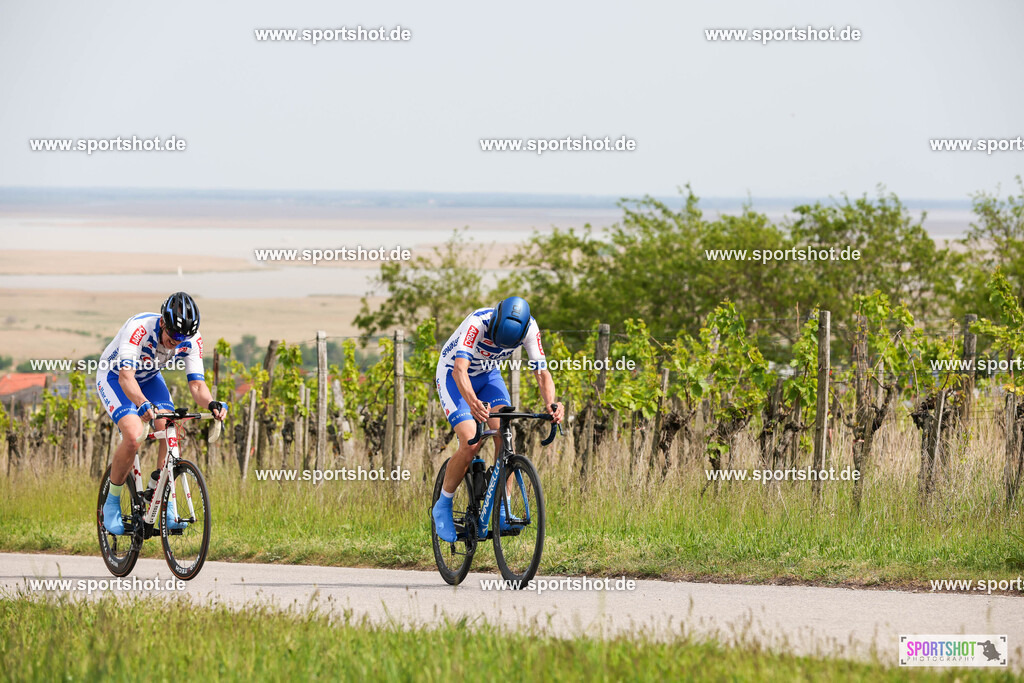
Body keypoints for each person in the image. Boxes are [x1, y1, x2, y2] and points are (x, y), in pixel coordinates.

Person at [431, 296, 564, 542]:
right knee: (471, 442)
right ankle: (443, 504)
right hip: (454, 376)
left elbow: (541, 372)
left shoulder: (530, 328)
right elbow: (460, 369)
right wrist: (473, 403)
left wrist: (551, 403)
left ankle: (503, 508)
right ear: (494, 321)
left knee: (506, 436)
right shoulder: (477, 322)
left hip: (489, 375)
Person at [97, 292, 227, 535]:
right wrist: (142, 404)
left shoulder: (191, 339)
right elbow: (126, 378)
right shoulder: (139, 328)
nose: (177, 342)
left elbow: (197, 386)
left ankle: (162, 499)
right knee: (135, 435)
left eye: (183, 337)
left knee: (170, 429)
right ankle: (111, 503)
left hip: (148, 378)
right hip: (115, 377)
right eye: (173, 335)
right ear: (162, 322)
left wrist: (211, 403)